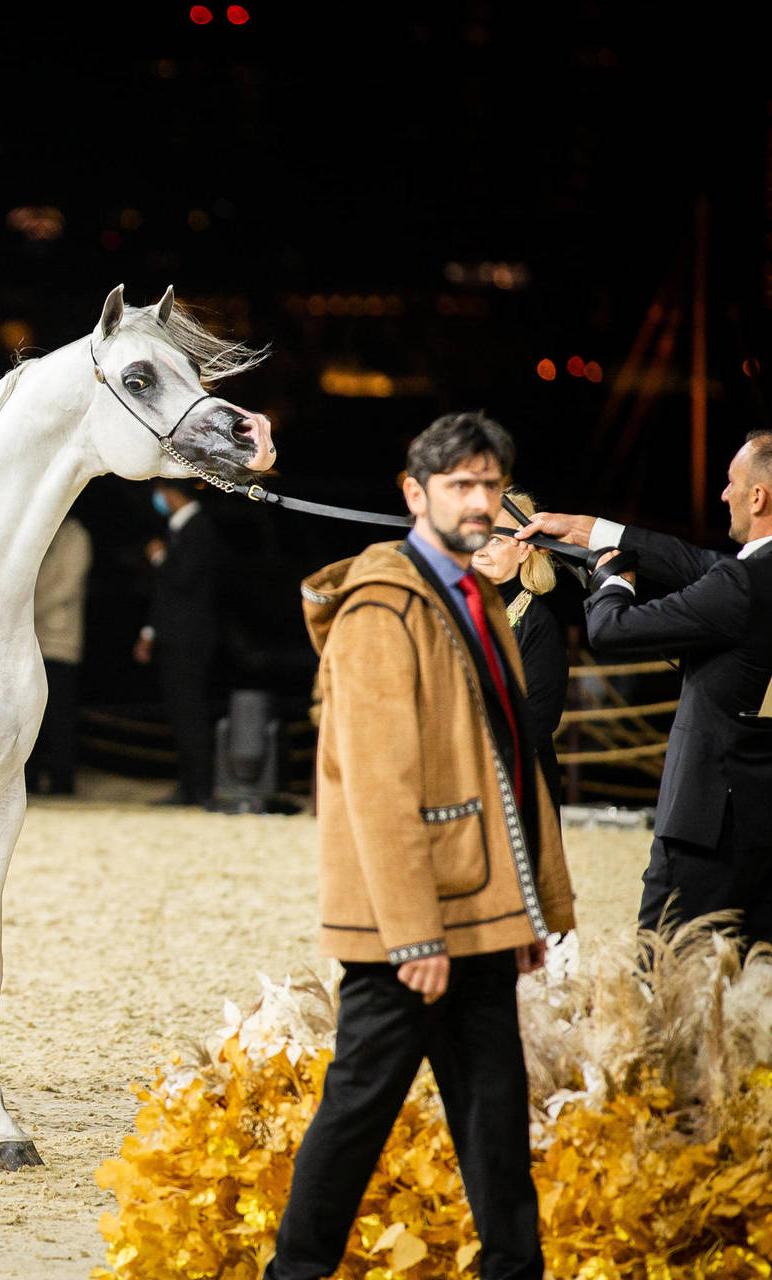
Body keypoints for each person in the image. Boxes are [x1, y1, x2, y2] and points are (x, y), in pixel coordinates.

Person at [269, 412, 575, 1280]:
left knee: (495, 1123)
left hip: (478, 914)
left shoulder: (476, 600)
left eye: (491, 485)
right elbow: (378, 787)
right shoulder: (382, 607)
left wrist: (528, 907)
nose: (479, 503)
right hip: (405, 934)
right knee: (357, 1116)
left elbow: (510, 761)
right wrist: (412, 934)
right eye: (459, 485)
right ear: (415, 494)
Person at [516, 431, 772, 946]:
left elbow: (611, 630)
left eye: (731, 483)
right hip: (760, 814)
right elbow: (692, 561)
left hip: (707, 824)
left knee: (665, 968)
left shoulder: (741, 586)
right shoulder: (753, 577)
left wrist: (613, 580)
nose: (723, 494)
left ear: (758, 497)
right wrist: (586, 530)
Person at [470, 488, 569, 809]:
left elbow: (537, 722)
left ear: (524, 550)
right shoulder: (450, 612)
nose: (479, 550)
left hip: (515, 787)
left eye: (495, 540)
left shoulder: (537, 624)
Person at [133, 478, 220, 806]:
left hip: (190, 638)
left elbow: (182, 580)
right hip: (173, 635)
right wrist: (149, 632)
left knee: (190, 712)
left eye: (160, 492)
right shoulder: (178, 528)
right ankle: (188, 786)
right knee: (179, 712)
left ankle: (200, 789)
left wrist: (159, 559)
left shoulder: (199, 528)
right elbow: (164, 593)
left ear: (171, 493)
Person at [26, 516, 92, 796]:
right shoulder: (40, 528)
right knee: (29, 717)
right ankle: (29, 781)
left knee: (59, 716)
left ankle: (61, 784)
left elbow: (68, 585)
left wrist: (29, 609)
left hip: (60, 641)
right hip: (32, 639)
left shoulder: (76, 536)